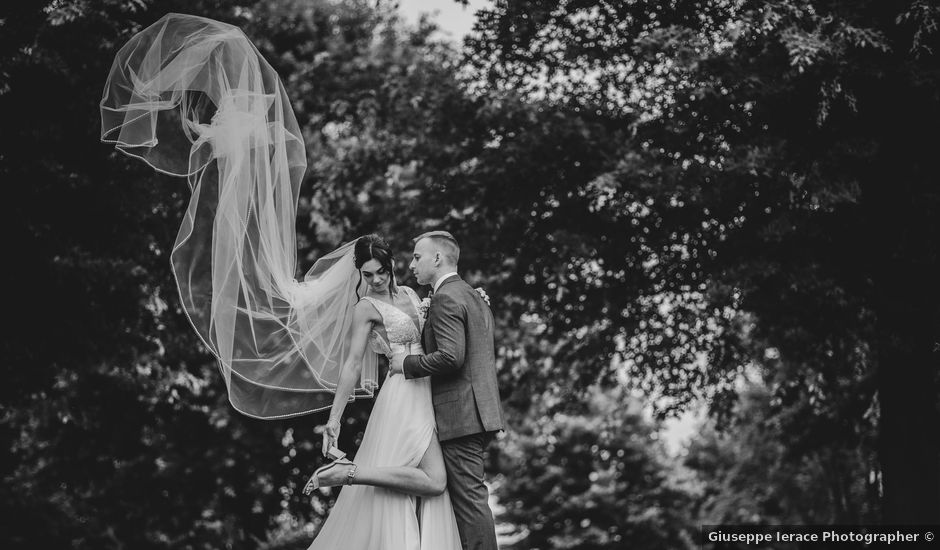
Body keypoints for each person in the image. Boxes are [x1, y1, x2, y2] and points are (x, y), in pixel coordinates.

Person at [302, 234, 462, 549]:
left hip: (429, 389)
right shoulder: (365, 308)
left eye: (381, 272)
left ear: (391, 266)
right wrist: (334, 420)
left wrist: (474, 298)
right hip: (403, 395)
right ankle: (350, 473)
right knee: (435, 481)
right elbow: (351, 365)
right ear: (359, 273)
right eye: (367, 274)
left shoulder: (412, 295)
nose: (376, 280)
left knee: (419, 493)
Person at [389, 231, 505, 550]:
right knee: (470, 500)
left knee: (469, 504)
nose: (411, 264)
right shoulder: (472, 295)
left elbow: (452, 357)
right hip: (477, 411)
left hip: (461, 415)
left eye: (417, 257)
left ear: (437, 258)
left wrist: (407, 364)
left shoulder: (447, 297)